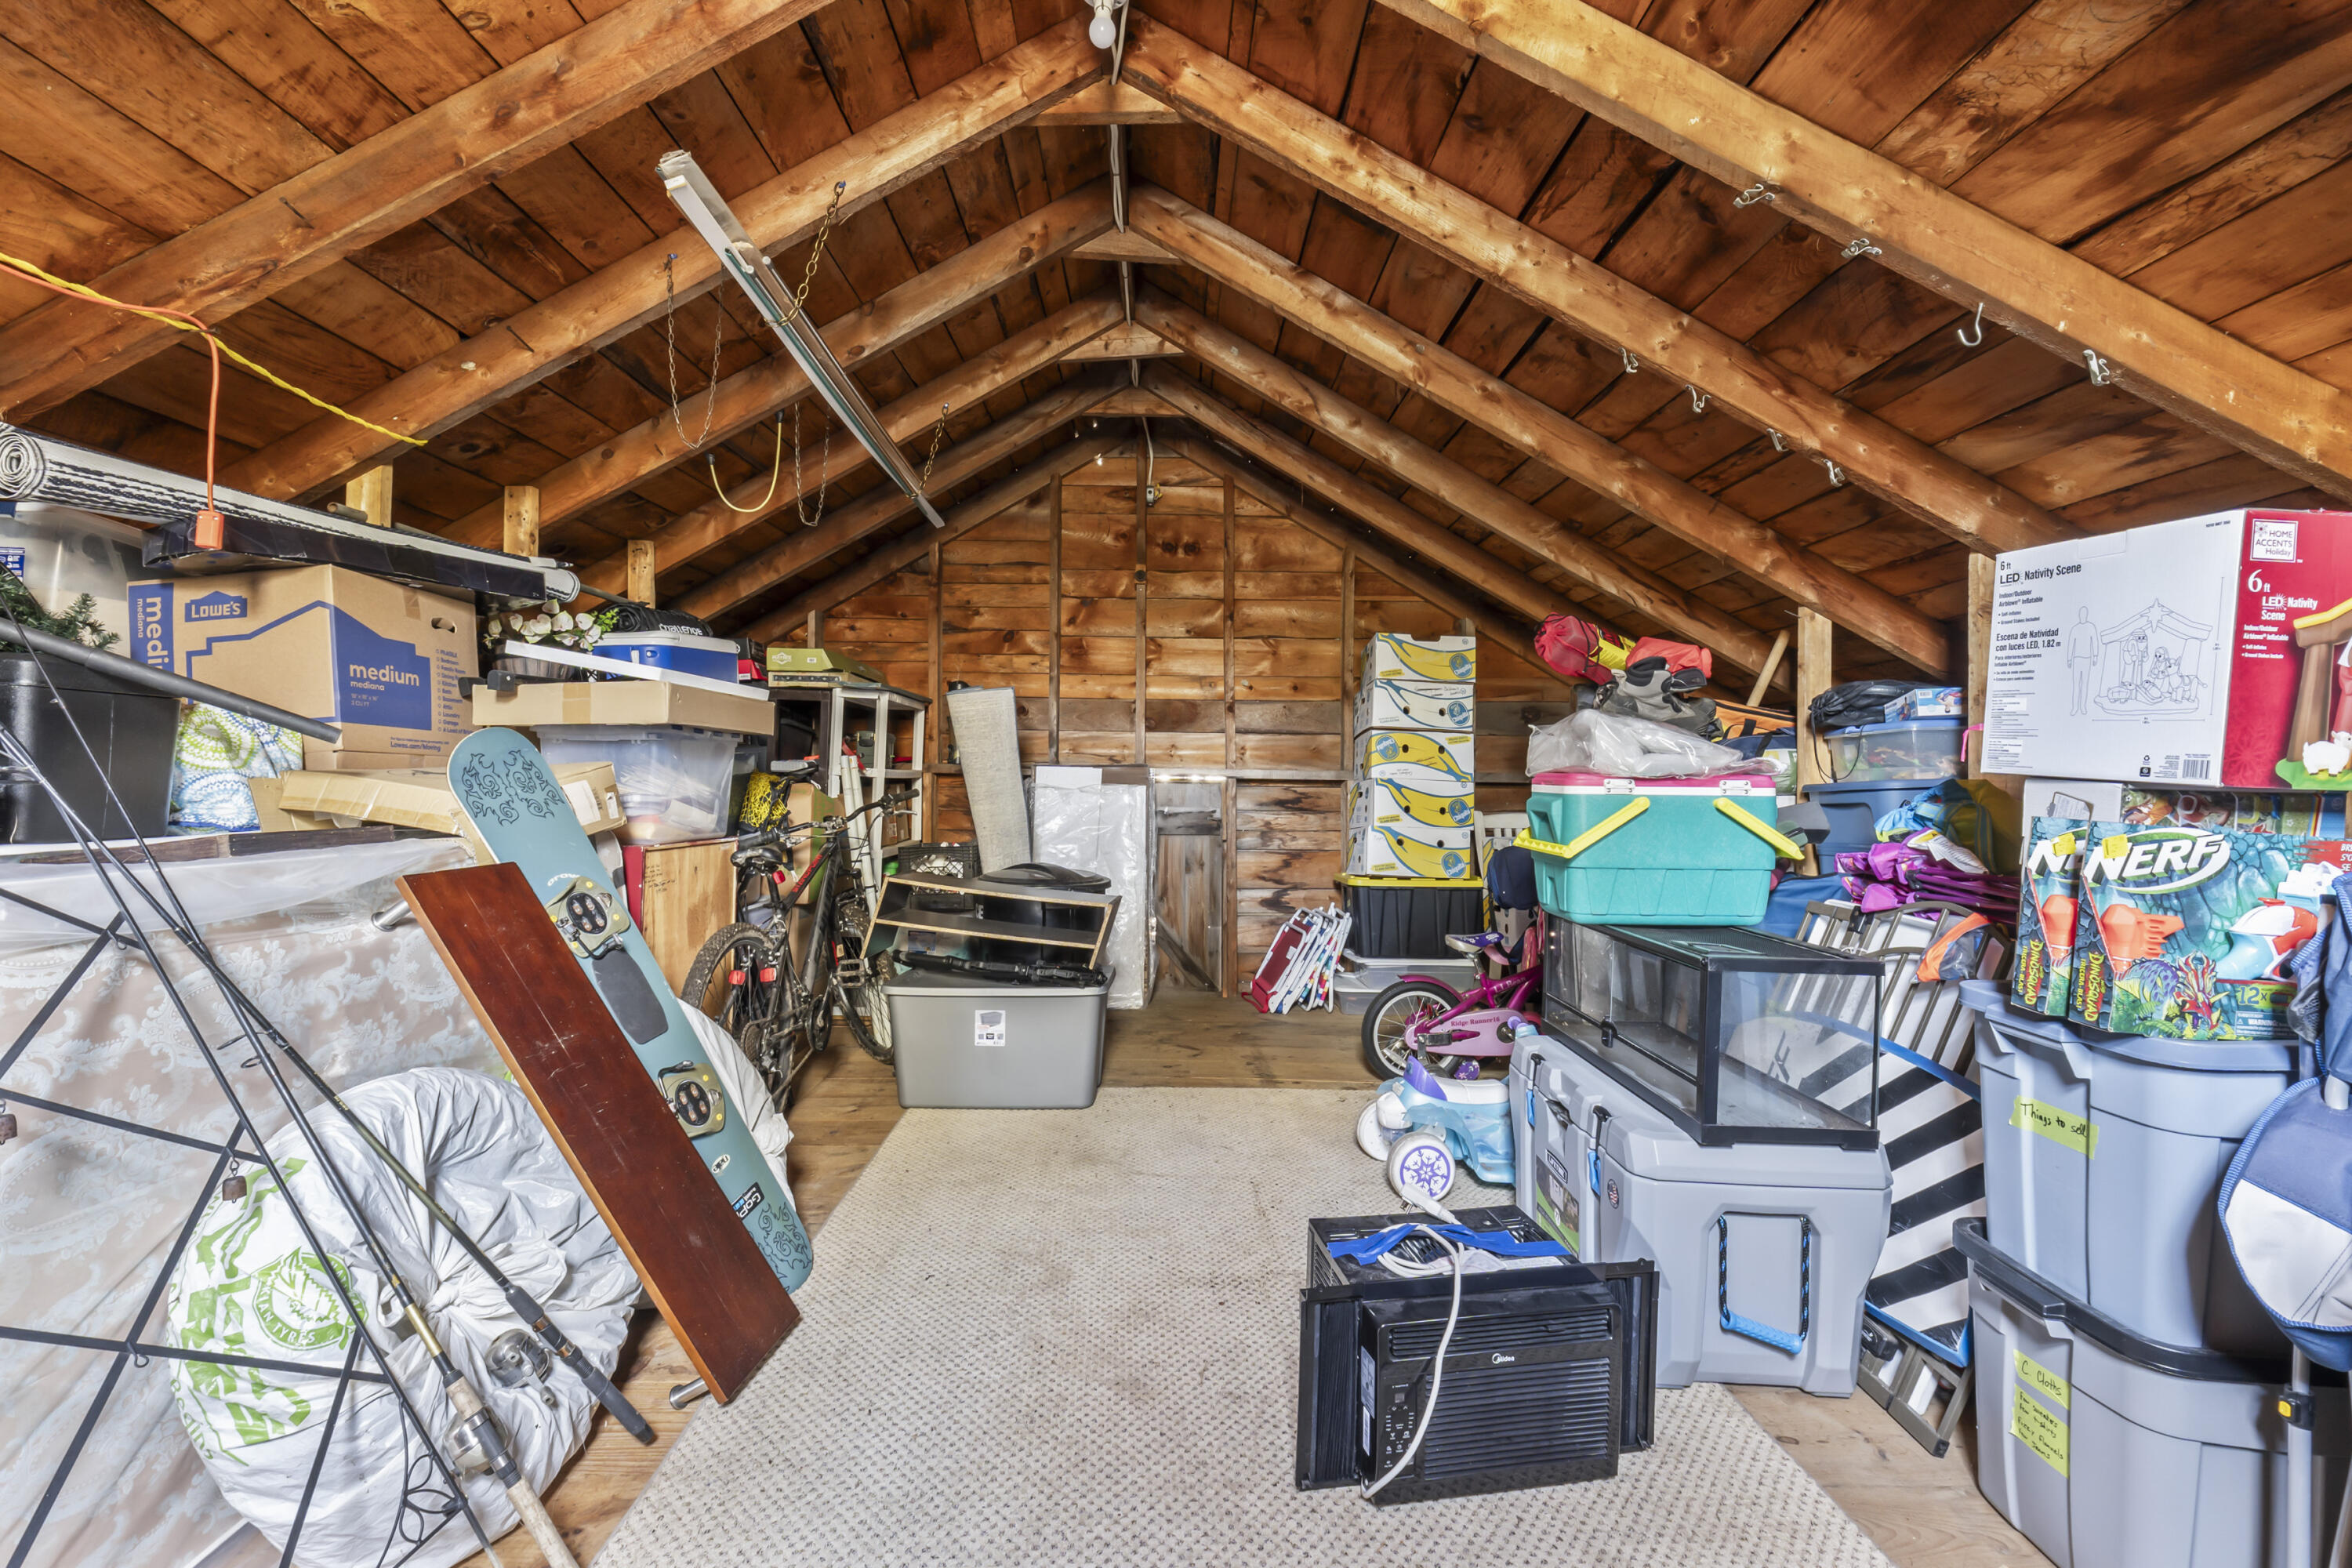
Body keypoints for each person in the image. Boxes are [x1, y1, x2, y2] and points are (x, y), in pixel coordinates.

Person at [2067, 608, 2100, 714]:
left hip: (2087, 659)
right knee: (2076, 685)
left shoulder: (2091, 627)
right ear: (2079, 615)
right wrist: (2069, 659)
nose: (2082, 616)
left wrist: (2095, 656)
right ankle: (2075, 708)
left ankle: (2083, 707)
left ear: (2086, 615)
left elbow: (2095, 642)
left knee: (2085, 684)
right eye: (2081, 614)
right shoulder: (2075, 629)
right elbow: (2071, 644)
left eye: (2084, 614)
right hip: (2077, 659)